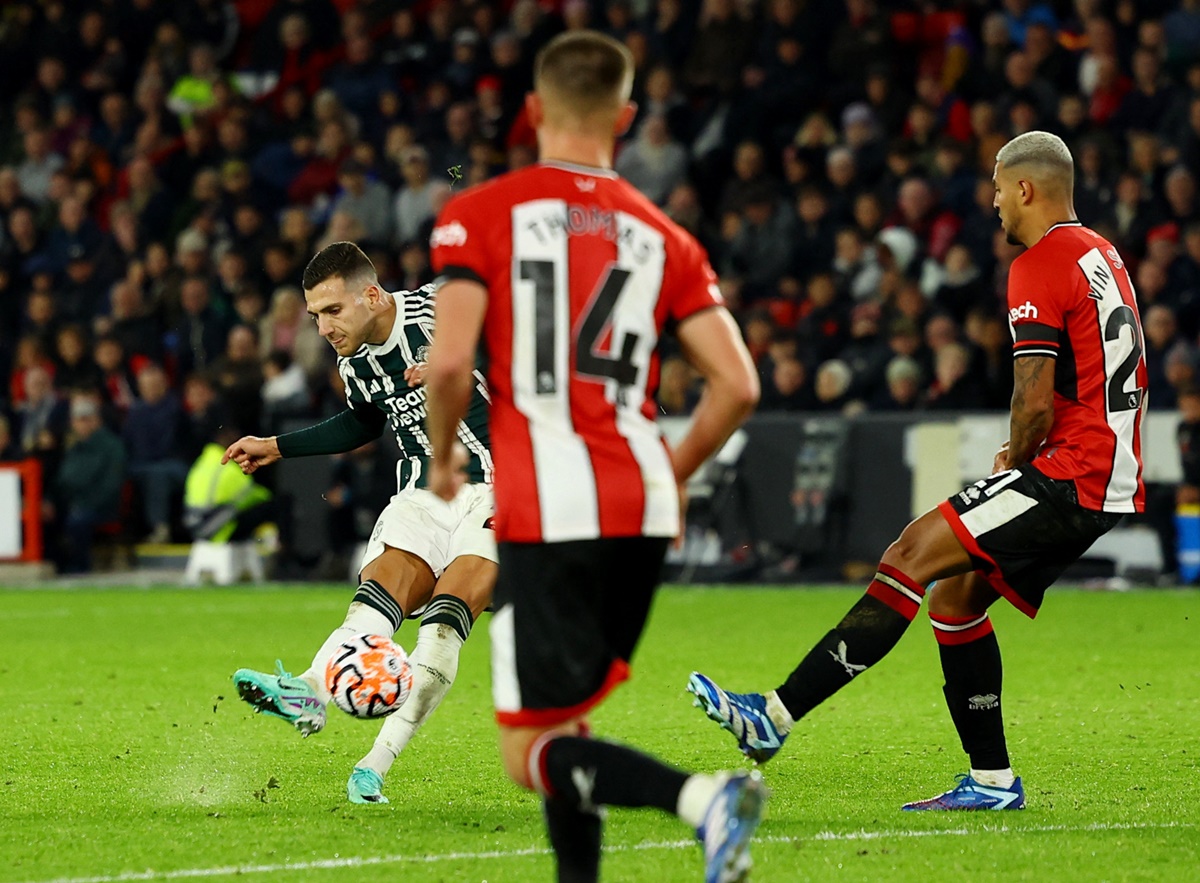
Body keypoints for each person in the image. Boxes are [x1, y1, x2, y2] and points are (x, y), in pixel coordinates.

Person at [688, 130, 1147, 812]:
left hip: (1074, 470)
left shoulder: (1039, 262)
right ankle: (992, 781)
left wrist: (1014, 456)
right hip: (1108, 468)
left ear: (1026, 188)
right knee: (956, 601)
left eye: (996, 187)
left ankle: (771, 717)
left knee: (907, 553)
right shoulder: (1100, 252)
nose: (991, 203)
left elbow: (1033, 397)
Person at [422, 31, 765, 883]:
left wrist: (439, 458)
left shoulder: (479, 212)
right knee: (563, 720)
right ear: (628, 117)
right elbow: (736, 386)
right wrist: (669, 477)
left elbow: (452, 362)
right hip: (641, 505)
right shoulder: (666, 236)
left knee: (525, 750)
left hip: (550, 506)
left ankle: (703, 799)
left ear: (532, 111)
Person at [222, 241, 496, 806]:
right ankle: (309, 691)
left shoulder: (443, 308)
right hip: (421, 496)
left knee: (443, 627)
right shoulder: (355, 363)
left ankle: (374, 763)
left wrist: (461, 364)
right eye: (315, 315)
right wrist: (277, 446)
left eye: (332, 311)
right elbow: (365, 421)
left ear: (371, 295)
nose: (323, 328)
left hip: (499, 488)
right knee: (374, 603)